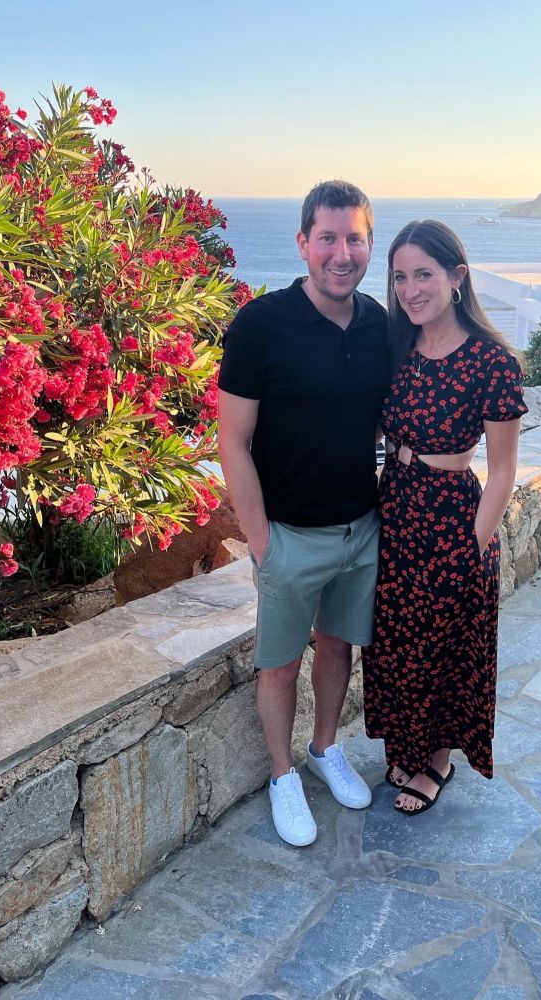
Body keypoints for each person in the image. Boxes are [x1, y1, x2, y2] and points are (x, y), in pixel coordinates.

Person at [218, 181, 391, 846]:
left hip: (360, 527)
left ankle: (324, 749)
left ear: (369, 245)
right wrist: (262, 541)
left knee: (338, 645)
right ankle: (282, 774)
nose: (342, 254)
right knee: (280, 665)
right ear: (302, 243)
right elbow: (232, 441)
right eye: (328, 238)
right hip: (289, 534)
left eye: (355, 239)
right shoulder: (261, 326)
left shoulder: (377, 325)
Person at [362, 219, 526, 815]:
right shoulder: (395, 347)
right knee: (396, 641)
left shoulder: (492, 362)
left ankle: (437, 760)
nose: (410, 290)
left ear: (456, 276)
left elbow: (503, 471)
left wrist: (471, 549)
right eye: (399, 277)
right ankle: (405, 745)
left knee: (444, 646)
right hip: (395, 508)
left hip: (452, 516)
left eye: (423, 274)